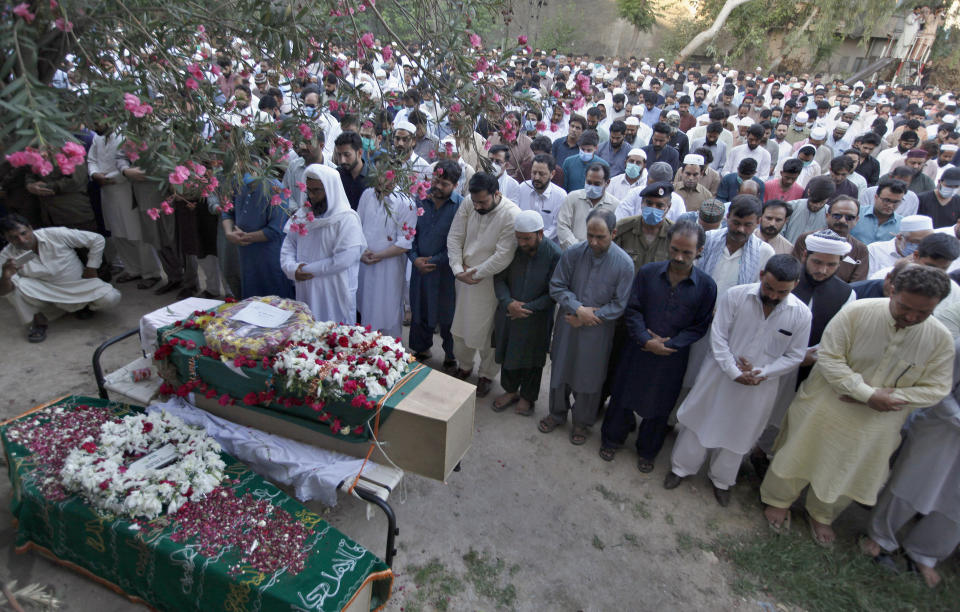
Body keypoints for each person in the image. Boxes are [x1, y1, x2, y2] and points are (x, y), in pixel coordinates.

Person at [761, 265, 954, 547]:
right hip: (827, 404)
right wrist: (867, 394)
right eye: (905, 307)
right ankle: (779, 500)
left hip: (878, 422)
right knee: (800, 450)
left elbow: (937, 388)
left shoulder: (939, 339)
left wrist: (884, 398)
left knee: (850, 467)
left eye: (923, 313)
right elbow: (829, 357)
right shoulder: (858, 311)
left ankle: (822, 514)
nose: (912, 317)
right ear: (892, 290)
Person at [665, 255, 811, 506]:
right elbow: (718, 337)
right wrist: (734, 371)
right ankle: (681, 468)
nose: (774, 296)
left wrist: (762, 373)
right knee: (701, 422)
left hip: (759, 386)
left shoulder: (801, 314)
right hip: (719, 376)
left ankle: (722, 480)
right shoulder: (736, 295)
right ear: (762, 273)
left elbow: (796, 355)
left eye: (782, 292)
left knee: (740, 433)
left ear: (795, 285)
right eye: (769, 288)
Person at [599, 221, 717, 470]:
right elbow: (633, 309)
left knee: (660, 404)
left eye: (687, 252)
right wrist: (645, 339)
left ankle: (647, 451)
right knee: (622, 395)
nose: (679, 257)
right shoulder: (648, 273)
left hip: (672, 357)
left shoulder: (706, 287)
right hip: (637, 349)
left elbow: (699, 326)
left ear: (700, 251)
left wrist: (670, 344)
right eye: (675, 249)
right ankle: (611, 440)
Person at [859, 334, 960, 588]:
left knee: (956, 503)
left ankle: (926, 553)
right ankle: (880, 538)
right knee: (914, 483)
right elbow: (939, 387)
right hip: (944, 426)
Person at [755, 230, 857, 469]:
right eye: (817, 262)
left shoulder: (846, 294)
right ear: (804, 255)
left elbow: (838, 336)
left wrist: (805, 357)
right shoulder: (782, 280)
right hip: (767, 358)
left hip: (808, 367)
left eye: (831, 265)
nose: (822, 270)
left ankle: (761, 453)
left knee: (782, 414)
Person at [538, 209, 634, 445]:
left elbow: (620, 304)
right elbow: (557, 286)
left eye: (600, 237)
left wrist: (590, 316)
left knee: (590, 377)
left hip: (598, 331)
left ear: (613, 233)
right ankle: (556, 413)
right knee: (560, 368)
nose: (593, 241)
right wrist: (578, 308)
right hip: (568, 324)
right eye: (590, 235)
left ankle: (582, 422)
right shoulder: (573, 252)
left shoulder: (624, 264)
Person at [447, 172, 521, 397]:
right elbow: (455, 237)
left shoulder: (511, 214)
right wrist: (458, 270)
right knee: (460, 328)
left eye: (483, 202)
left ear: (496, 193)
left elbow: (503, 255)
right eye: (475, 201)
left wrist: (476, 273)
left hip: (491, 281)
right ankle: (465, 366)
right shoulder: (470, 202)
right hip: (463, 278)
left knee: (488, 332)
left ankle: (486, 375)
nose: (477, 206)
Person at [1, 215, 121, 343]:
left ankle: (83, 306)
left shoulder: (55, 234)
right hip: (45, 291)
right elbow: (2, 291)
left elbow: (97, 239)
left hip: (78, 286)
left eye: (23, 233)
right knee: (12, 284)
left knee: (110, 298)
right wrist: (6, 275)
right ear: (6, 239)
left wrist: (92, 267)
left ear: (30, 228)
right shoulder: (6, 254)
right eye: (14, 238)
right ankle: (37, 321)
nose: (22, 240)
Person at [491, 210, 562, 416]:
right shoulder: (511, 249)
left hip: (537, 317)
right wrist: (508, 302)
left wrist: (528, 308)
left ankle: (528, 397)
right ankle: (511, 391)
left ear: (540, 233)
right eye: (518, 237)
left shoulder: (555, 255)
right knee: (509, 352)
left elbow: (555, 291)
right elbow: (499, 278)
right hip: (510, 311)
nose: (521, 243)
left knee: (533, 357)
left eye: (527, 238)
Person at [280, 163, 365, 323]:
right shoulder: (302, 214)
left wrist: (305, 269)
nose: (311, 196)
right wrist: (291, 268)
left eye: (316, 191)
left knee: (336, 338)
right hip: (305, 288)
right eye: (308, 190)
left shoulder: (347, 219)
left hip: (334, 290)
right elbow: (289, 244)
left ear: (330, 190)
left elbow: (343, 260)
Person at [408, 160, 462, 370]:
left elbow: (459, 242)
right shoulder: (418, 199)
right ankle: (421, 348)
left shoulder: (461, 206)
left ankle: (451, 354)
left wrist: (434, 260)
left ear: (455, 186)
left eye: (444, 184)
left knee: (447, 314)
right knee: (419, 308)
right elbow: (408, 232)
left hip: (445, 271)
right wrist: (414, 259)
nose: (438, 187)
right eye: (436, 180)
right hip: (419, 268)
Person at [356, 181, 419, 339]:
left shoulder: (406, 202)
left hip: (390, 267)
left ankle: (390, 354)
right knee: (367, 307)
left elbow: (405, 243)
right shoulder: (367, 195)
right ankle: (366, 347)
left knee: (388, 311)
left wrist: (379, 255)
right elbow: (357, 226)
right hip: (365, 264)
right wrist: (362, 252)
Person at [222, 168, 295, 300]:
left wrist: (245, 237)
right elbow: (227, 211)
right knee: (251, 299)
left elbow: (275, 229)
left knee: (275, 301)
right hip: (246, 256)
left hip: (269, 256)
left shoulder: (276, 189)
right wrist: (228, 232)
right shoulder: (238, 183)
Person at [696, 195, 775, 297]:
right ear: (727, 216)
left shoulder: (765, 252)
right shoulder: (708, 239)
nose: (740, 229)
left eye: (747, 225)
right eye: (736, 223)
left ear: (758, 222)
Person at [791, 195, 869, 283]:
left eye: (849, 217)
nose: (842, 220)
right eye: (837, 215)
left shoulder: (860, 250)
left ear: (857, 220)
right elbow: (794, 273)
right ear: (827, 216)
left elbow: (856, 285)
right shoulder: (807, 239)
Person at [555, 163, 620, 249]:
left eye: (597, 184)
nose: (592, 187)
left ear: (607, 183)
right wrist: (578, 248)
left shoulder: (615, 205)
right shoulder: (572, 197)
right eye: (589, 183)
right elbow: (562, 226)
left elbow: (615, 235)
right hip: (572, 252)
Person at [614, 182, 674, 269]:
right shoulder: (623, 228)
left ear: (669, 207)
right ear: (642, 203)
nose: (653, 209)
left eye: (659, 205)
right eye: (649, 204)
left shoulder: (674, 234)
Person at [867, 214, 934, 276]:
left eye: (927, 242)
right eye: (917, 242)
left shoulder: (932, 255)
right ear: (900, 238)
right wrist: (898, 267)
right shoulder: (875, 250)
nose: (922, 246)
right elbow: (868, 282)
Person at [851, 178, 907, 245]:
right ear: (876, 197)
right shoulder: (855, 213)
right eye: (886, 200)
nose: (890, 205)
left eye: (896, 202)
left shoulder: (903, 225)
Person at [781, 176, 836, 243]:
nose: (817, 205)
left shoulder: (831, 215)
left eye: (821, 202)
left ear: (828, 199)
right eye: (814, 201)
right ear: (809, 192)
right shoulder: (791, 207)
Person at [334, 131, 372, 211]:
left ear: (360, 152)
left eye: (347, 155)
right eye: (339, 155)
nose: (342, 161)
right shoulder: (336, 175)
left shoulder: (373, 178)